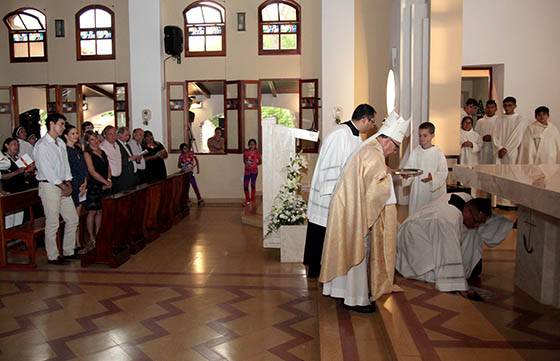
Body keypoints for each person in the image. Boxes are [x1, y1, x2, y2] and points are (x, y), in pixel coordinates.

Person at [319, 112, 409, 312]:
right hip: (352, 209)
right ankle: (356, 299)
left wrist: (383, 172)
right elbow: (375, 186)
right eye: (395, 147)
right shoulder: (372, 152)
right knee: (357, 250)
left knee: (346, 246)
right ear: (386, 140)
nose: (393, 153)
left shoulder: (370, 147)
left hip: (348, 206)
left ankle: (340, 291)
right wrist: (385, 177)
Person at [303, 104, 377, 279]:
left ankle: (327, 267)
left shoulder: (355, 136)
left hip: (342, 192)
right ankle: (316, 269)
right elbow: (331, 167)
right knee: (321, 230)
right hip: (329, 194)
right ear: (364, 119)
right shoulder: (340, 134)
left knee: (327, 232)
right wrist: (335, 194)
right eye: (372, 122)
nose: (373, 126)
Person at [396, 194, 508, 298]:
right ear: (468, 212)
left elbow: (484, 219)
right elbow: (449, 251)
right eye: (475, 221)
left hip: (431, 232)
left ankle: (465, 269)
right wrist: (458, 285)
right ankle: (452, 279)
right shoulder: (448, 219)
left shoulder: (466, 200)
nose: (476, 225)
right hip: (413, 241)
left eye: (480, 222)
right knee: (433, 275)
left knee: (473, 232)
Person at [33, 113, 79, 265]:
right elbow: (47, 171)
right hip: (49, 186)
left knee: (72, 218)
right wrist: (62, 185)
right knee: (53, 222)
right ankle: (53, 255)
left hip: (63, 185)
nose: (63, 127)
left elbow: (65, 166)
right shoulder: (41, 145)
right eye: (61, 124)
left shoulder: (60, 143)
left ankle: (69, 250)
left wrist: (69, 183)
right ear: (52, 124)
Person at [400, 122, 448, 216]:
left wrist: (433, 177)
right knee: (417, 215)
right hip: (418, 189)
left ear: (432, 135)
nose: (422, 138)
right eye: (420, 135)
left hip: (432, 191)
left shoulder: (438, 153)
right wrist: (406, 174)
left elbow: (443, 172)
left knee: (431, 217)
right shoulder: (415, 152)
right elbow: (409, 168)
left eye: (425, 135)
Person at [493, 96, 527, 207]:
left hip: (511, 152)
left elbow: (517, 136)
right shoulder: (499, 119)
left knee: (511, 175)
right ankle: (499, 201)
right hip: (499, 151)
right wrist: (499, 147)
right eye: (505, 105)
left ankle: (510, 202)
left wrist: (506, 148)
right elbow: (495, 135)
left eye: (509, 105)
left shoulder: (519, 119)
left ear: (515, 106)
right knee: (499, 175)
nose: (507, 108)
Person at [83, 131, 112, 251]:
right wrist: (105, 182)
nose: (95, 142)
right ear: (87, 142)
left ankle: (99, 234)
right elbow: (92, 171)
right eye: (92, 140)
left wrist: (109, 179)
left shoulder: (102, 152)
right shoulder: (87, 153)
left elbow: (108, 167)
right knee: (92, 211)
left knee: (100, 211)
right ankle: (91, 237)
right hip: (93, 185)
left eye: (95, 139)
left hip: (104, 183)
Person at [62, 125, 88, 208]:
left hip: (82, 183)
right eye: (72, 133)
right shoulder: (64, 150)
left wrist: (85, 181)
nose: (76, 135)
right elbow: (68, 169)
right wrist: (76, 185)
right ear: (66, 136)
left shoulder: (77, 148)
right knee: (74, 211)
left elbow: (83, 166)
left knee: (80, 209)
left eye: (77, 133)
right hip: (73, 183)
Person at [178, 141, 204, 206]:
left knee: (195, 186)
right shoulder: (181, 156)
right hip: (184, 174)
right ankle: (187, 200)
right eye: (184, 149)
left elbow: (197, 160)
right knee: (186, 187)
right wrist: (184, 165)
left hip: (190, 173)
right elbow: (178, 165)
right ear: (182, 150)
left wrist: (197, 169)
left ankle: (199, 199)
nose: (186, 150)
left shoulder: (191, 153)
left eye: (186, 148)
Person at [116, 127, 140, 191]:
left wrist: (136, 159)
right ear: (119, 134)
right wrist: (129, 159)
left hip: (132, 174)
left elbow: (130, 156)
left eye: (129, 135)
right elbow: (117, 160)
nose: (128, 137)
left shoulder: (127, 145)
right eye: (126, 135)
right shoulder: (116, 145)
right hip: (124, 175)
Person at [474, 100, 498, 164]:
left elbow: (501, 135)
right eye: (488, 107)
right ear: (485, 108)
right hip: (482, 149)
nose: (489, 109)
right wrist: (482, 138)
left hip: (494, 149)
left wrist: (492, 138)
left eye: (492, 107)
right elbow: (475, 136)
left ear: (496, 109)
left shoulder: (499, 121)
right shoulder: (480, 121)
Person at [99, 126, 122, 193]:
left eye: (114, 133)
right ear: (105, 135)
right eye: (110, 134)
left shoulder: (117, 145)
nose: (113, 136)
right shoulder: (102, 147)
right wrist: (108, 179)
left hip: (119, 177)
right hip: (110, 178)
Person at [242, 138, 261, 207]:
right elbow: (244, 160)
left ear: (255, 145)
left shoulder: (257, 153)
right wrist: (247, 162)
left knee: (253, 185)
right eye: (250, 144)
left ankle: (252, 200)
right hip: (247, 171)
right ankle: (247, 200)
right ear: (248, 145)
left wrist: (255, 163)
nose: (252, 146)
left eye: (253, 144)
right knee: (245, 186)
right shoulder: (246, 152)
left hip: (254, 171)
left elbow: (260, 162)